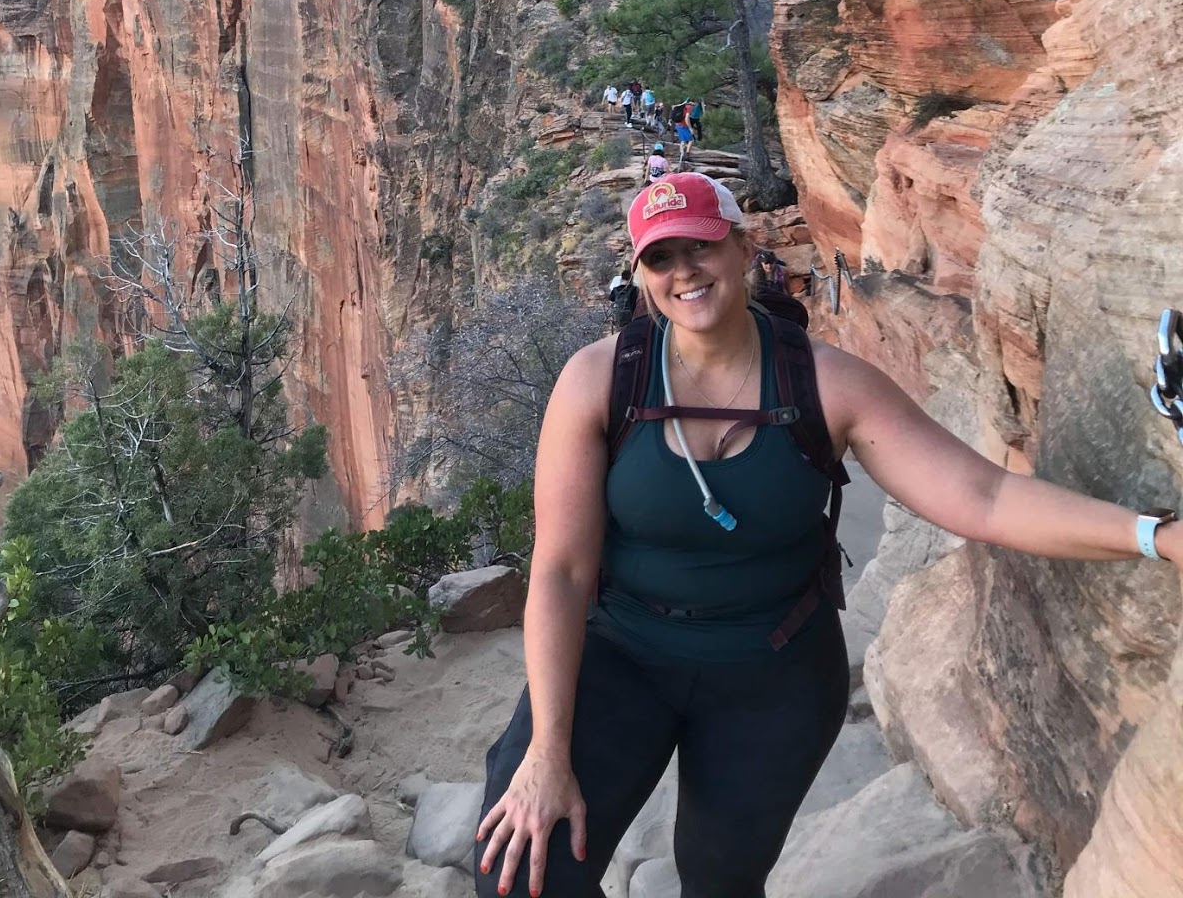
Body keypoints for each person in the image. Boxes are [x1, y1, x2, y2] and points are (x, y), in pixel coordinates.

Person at [475, 172, 1183, 898]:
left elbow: (986, 495)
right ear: (641, 275)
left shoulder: (826, 385)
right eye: (661, 257)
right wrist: (545, 751)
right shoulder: (600, 382)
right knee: (523, 868)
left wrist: (1156, 536)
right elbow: (560, 572)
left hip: (771, 666)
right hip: (622, 651)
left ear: (744, 247)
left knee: (723, 881)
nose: (683, 270)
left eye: (701, 245)